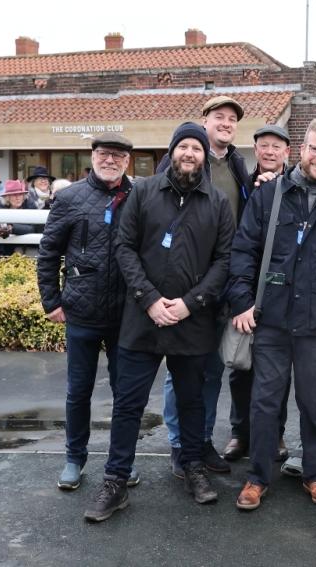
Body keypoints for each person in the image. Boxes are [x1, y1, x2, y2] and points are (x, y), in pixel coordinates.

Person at [83, 122, 235, 522]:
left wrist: (190, 303)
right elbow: (124, 247)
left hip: (192, 321)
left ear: (204, 157)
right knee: (128, 405)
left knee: (191, 402)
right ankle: (115, 481)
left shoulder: (217, 203)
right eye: (183, 146)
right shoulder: (144, 192)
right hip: (142, 320)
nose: (190, 153)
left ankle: (193, 469)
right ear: (173, 151)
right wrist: (150, 300)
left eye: (196, 148)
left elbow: (224, 262)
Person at [228, 118, 316, 511]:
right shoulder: (268, 196)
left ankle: (315, 474)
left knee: (314, 404)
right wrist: (241, 301)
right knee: (264, 403)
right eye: (314, 149)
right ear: (300, 149)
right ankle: (257, 477)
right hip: (270, 319)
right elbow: (243, 252)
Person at [37, 133, 138, 491]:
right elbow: (49, 253)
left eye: (118, 156)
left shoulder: (138, 196)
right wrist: (51, 301)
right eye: (104, 154)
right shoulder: (69, 198)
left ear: (128, 160)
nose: (110, 160)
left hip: (126, 312)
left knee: (125, 392)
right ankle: (74, 458)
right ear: (92, 156)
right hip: (81, 309)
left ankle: (120, 462)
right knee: (78, 390)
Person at [158, 96, 252, 478]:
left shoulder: (236, 164)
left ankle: (201, 440)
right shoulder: (181, 160)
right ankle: (179, 444)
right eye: (219, 117)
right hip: (183, 286)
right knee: (179, 370)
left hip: (220, 283)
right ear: (204, 121)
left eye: (232, 119)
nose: (226, 123)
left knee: (211, 369)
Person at [223, 123, 292, 464]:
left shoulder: (297, 185)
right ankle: (240, 432)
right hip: (245, 285)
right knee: (241, 366)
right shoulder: (243, 183)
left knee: (278, 370)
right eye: (263, 145)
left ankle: (275, 433)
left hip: (282, 291)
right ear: (256, 149)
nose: (269, 151)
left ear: (286, 153)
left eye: (276, 146)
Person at [0, 180, 38, 256]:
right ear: (8, 197)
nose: (18, 198)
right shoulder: (0, 207)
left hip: (27, 249)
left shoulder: (30, 206)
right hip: (5, 250)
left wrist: (12, 228)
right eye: (14, 195)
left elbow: (33, 228)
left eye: (20, 194)